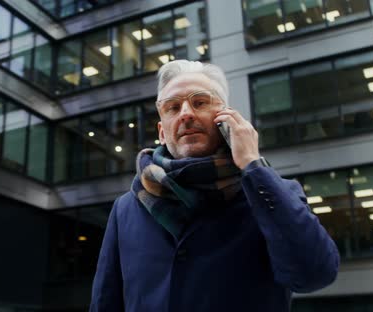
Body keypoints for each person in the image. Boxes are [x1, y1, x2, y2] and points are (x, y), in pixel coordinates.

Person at [89, 60, 340, 311]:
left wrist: (253, 164)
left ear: (227, 118)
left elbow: (314, 274)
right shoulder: (126, 208)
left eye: (200, 102)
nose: (186, 114)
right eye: (173, 107)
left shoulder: (271, 193)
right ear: (162, 132)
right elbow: (105, 303)